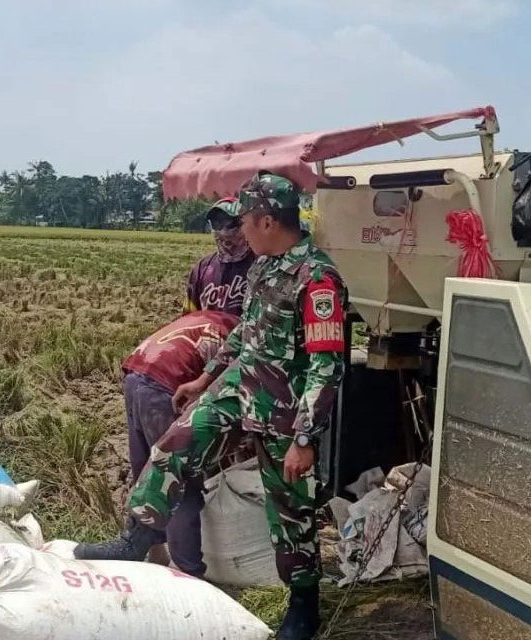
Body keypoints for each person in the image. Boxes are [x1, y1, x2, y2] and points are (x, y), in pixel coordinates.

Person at [76, 172, 347, 640]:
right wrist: (205, 378)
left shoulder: (317, 280)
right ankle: (136, 539)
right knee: (172, 447)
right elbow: (246, 332)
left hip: (285, 409)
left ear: (266, 220)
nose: (238, 231)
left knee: (290, 510)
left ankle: (304, 602)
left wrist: (304, 438)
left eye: (243, 221)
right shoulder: (263, 267)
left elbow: (328, 368)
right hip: (237, 388)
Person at [120, 309, 242, 577]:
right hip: (166, 383)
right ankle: (189, 572)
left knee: (146, 468)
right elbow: (222, 398)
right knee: (176, 477)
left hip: (136, 371)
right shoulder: (239, 336)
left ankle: (152, 551)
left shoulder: (207, 318)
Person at [184, 197, 255, 316]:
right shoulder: (202, 269)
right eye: (218, 224)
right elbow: (189, 316)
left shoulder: (260, 265)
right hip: (208, 333)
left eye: (231, 223)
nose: (224, 231)